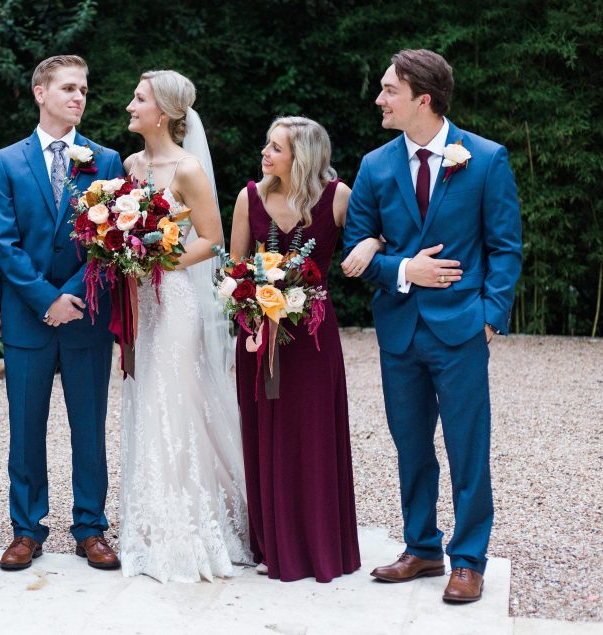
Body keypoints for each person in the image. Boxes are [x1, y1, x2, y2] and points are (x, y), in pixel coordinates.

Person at [343, 49, 522, 603]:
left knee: (469, 447)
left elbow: (505, 248)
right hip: (399, 330)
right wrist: (403, 269)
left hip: (463, 329)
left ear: (422, 98)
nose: (379, 99)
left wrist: (489, 319)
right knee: (412, 446)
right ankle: (422, 547)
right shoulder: (374, 166)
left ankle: (468, 560)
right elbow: (355, 250)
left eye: (388, 90)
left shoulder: (486, 159)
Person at [0, 55, 123, 571]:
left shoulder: (104, 160)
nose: (78, 97)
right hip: (29, 318)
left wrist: (71, 297)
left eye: (84, 90)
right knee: (26, 428)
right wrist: (46, 299)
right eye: (68, 88)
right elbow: (3, 242)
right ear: (39, 93)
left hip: (86, 314)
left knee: (89, 427)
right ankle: (27, 529)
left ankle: (90, 527)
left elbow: (109, 240)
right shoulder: (6, 161)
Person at [119, 70, 251, 583]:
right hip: (141, 303)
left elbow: (212, 240)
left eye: (139, 98)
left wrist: (156, 260)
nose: (130, 105)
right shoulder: (132, 165)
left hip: (174, 301)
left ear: (168, 113)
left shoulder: (188, 169)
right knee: (143, 396)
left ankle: (187, 527)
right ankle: (150, 521)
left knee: (172, 402)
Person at [230, 116, 366, 583]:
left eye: (276, 148)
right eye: (267, 145)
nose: (265, 154)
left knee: (312, 435)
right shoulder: (250, 198)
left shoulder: (339, 197)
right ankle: (275, 543)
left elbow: (376, 235)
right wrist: (249, 303)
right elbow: (233, 272)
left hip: (311, 337)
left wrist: (368, 248)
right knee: (265, 432)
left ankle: (321, 544)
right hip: (258, 336)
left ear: (301, 158)